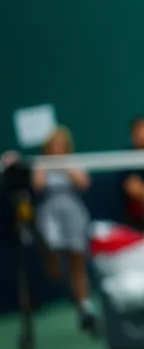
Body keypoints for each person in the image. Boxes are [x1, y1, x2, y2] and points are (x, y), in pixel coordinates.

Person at [31, 126, 99, 335]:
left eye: (62, 144)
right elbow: (37, 186)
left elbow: (84, 183)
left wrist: (66, 166)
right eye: (54, 145)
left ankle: (84, 305)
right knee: (56, 266)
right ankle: (72, 293)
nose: (58, 148)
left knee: (77, 260)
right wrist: (47, 167)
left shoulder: (72, 163)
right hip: (50, 216)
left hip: (73, 214)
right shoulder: (40, 164)